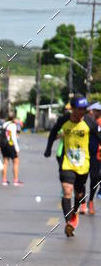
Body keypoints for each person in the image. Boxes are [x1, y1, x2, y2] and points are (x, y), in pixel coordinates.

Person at [44, 94, 100, 236]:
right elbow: (53, 132)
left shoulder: (89, 122)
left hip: (83, 164)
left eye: (85, 109)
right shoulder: (64, 120)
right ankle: (69, 221)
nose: (83, 112)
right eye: (80, 109)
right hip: (67, 162)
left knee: (79, 193)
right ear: (73, 109)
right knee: (67, 190)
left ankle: (74, 213)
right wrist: (48, 148)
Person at [84, 101, 101, 214]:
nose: (99, 113)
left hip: (97, 155)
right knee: (82, 180)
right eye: (97, 111)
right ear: (91, 111)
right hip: (84, 154)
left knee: (95, 178)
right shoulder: (85, 122)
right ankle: (82, 203)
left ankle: (90, 201)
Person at [0, 112, 23, 186]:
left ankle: (4, 180)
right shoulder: (12, 125)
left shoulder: (4, 124)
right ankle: (15, 180)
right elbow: (13, 138)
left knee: (5, 162)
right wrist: (17, 148)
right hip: (10, 144)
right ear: (13, 118)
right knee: (16, 161)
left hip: (4, 145)